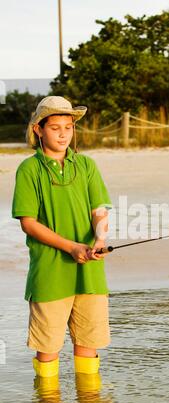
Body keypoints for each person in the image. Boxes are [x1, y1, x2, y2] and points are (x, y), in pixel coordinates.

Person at [12, 96, 112, 379]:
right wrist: (71, 247)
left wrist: (100, 239)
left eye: (68, 127)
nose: (63, 133)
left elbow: (99, 209)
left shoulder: (87, 165)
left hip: (90, 273)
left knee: (89, 346)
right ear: (38, 130)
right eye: (55, 127)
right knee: (48, 349)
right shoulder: (29, 169)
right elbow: (28, 224)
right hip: (49, 273)